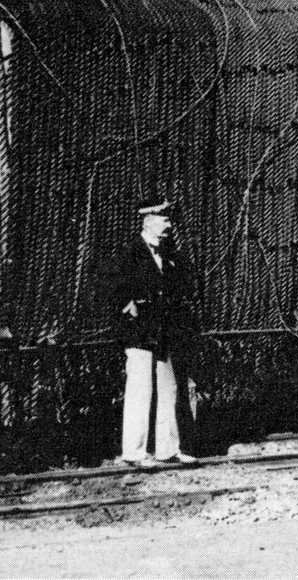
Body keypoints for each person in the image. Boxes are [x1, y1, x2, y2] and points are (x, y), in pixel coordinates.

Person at [99, 197, 198, 468]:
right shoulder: (129, 252)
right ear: (148, 220)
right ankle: (134, 451)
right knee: (140, 391)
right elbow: (109, 285)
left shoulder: (168, 254)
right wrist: (127, 307)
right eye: (164, 219)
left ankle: (168, 448)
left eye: (170, 220)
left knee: (169, 390)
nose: (169, 225)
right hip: (140, 333)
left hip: (164, 331)